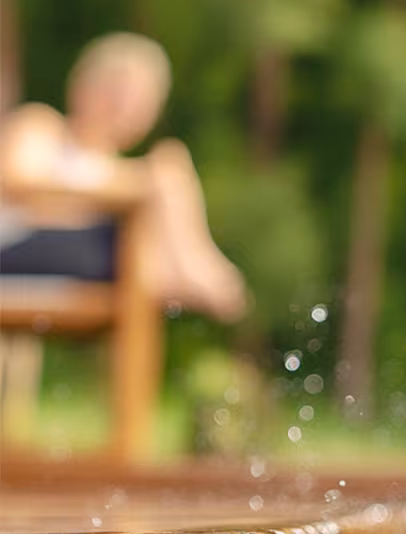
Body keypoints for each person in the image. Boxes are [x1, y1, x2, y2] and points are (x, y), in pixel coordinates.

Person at [0, 32, 246, 320]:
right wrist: (133, 186)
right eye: (119, 93)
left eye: (142, 100)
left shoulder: (122, 171)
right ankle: (193, 272)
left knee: (163, 178)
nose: (127, 108)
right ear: (83, 86)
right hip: (15, 248)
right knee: (162, 182)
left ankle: (186, 271)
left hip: (87, 267)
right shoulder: (43, 126)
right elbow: (18, 185)